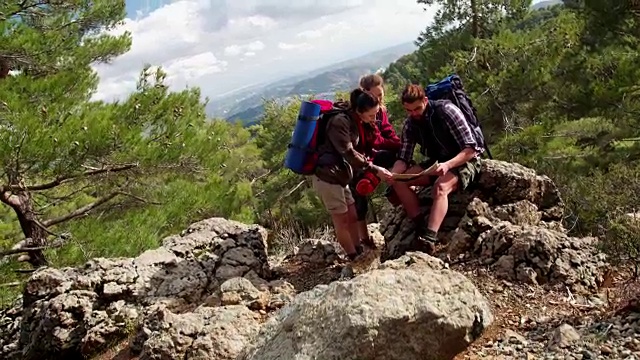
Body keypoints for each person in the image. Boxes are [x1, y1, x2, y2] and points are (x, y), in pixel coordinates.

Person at [388, 84, 484, 253]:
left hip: (463, 160)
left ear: (425, 100)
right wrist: (394, 174)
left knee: (440, 187)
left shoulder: (446, 111)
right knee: (399, 182)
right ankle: (419, 223)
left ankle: (429, 238)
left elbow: (470, 148)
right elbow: (404, 157)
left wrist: (448, 165)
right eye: (409, 111)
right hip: (436, 162)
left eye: (417, 108)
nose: (414, 114)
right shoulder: (410, 125)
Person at [312, 88, 393, 260]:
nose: (374, 119)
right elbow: (348, 152)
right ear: (359, 111)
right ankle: (353, 257)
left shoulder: (354, 120)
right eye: (371, 116)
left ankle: (359, 251)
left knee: (352, 215)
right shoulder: (340, 122)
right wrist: (374, 168)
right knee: (341, 221)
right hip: (327, 177)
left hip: (340, 176)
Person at [349, 74, 401, 248]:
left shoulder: (380, 111)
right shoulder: (356, 117)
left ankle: (398, 192)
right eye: (376, 96)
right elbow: (375, 140)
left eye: (381, 95)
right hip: (357, 160)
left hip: (370, 157)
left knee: (399, 156)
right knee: (359, 196)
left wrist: (397, 143)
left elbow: (386, 132)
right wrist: (393, 143)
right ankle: (363, 240)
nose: (380, 99)